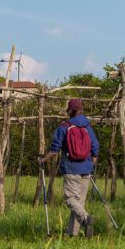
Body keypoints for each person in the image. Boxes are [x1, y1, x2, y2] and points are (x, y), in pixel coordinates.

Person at [39, 98, 100, 237]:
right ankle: (72, 234)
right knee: (79, 203)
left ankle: (86, 218)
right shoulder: (87, 127)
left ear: (71, 110)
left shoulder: (64, 127)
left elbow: (55, 150)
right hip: (86, 168)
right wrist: (92, 163)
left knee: (70, 199)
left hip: (71, 168)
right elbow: (95, 147)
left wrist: (43, 160)